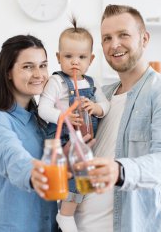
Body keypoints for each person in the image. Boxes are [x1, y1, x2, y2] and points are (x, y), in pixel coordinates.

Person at [33, 4, 161, 232]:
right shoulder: (100, 95)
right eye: (106, 38)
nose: (114, 44)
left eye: (123, 34)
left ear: (144, 39)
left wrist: (120, 170)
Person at [0, 35, 59, 232]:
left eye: (43, 65)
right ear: (8, 72)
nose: (39, 74)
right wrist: (32, 172)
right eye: (28, 66)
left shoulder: (42, 120)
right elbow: (11, 156)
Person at [38, 17, 110, 232]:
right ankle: (65, 215)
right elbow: (43, 109)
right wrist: (64, 117)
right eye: (68, 56)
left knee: (84, 180)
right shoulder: (56, 82)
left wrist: (95, 108)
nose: (75, 62)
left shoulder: (91, 83)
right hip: (62, 140)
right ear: (59, 58)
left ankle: (70, 213)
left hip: (84, 140)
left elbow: (105, 105)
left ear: (91, 59)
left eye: (81, 57)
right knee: (70, 176)